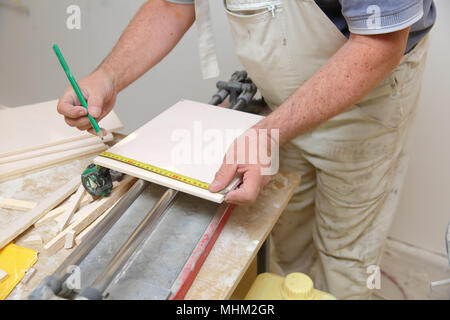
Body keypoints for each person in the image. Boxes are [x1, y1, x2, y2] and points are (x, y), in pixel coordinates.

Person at [57, 0, 436, 299]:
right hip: (280, 103)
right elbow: (173, 4)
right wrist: (108, 76)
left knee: (346, 255)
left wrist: (267, 133)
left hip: (366, 99)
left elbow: (379, 44)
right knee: (288, 232)